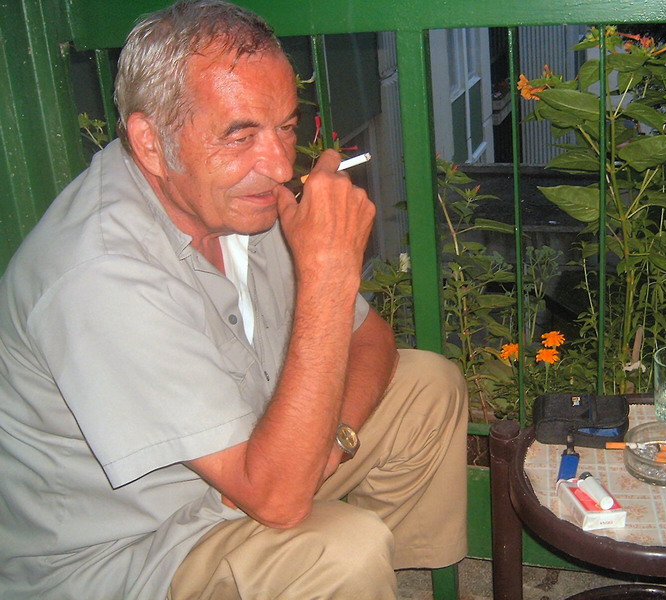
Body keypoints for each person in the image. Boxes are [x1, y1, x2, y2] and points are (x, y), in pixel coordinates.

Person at [0, 1, 468, 598]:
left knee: (428, 385)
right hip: (129, 553)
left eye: (286, 127)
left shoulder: (232, 201)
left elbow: (371, 338)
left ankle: (393, 582)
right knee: (342, 552)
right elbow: (276, 498)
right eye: (240, 135)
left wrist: (334, 440)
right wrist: (327, 275)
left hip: (251, 471)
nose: (279, 166)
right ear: (150, 142)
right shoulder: (100, 275)